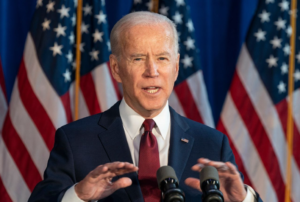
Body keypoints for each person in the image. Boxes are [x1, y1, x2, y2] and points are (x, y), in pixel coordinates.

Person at [28, 11, 262, 202]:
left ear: (176, 67)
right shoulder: (75, 140)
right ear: (116, 68)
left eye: (162, 58)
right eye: (138, 58)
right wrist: (77, 196)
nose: (152, 71)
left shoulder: (212, 144)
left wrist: (244, 200)